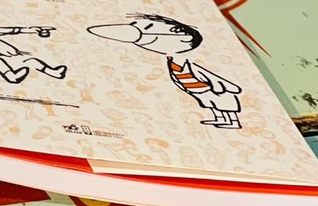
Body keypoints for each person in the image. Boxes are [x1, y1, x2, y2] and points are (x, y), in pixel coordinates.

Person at [87, 15, 242, 128]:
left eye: (147, 28)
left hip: (214, 89)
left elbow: (206, 75)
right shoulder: (171, 61)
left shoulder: (189, 62)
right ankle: (220, 119)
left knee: (223, 104)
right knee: (210, 104)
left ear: (183, 37)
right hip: (197, 90)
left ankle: (232, 121)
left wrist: (223, 87)